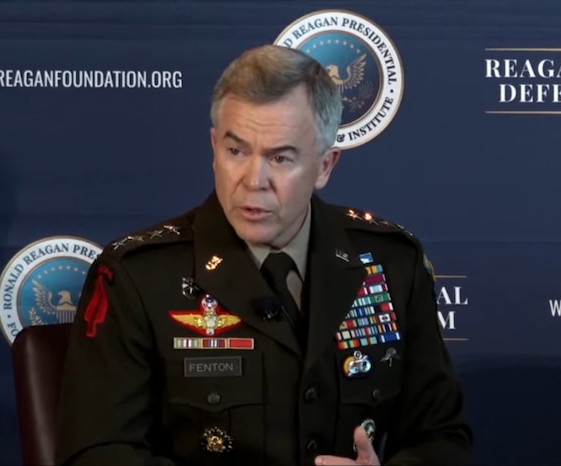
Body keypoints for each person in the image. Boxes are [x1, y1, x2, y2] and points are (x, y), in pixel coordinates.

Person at [54, 44, 472, 466]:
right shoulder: (138, 277)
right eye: (236, 151)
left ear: (325, 165)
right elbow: (98, 452)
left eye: (280, 157)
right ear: (214, 146)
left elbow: (441, 436)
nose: (254, 180)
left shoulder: (391, 263)